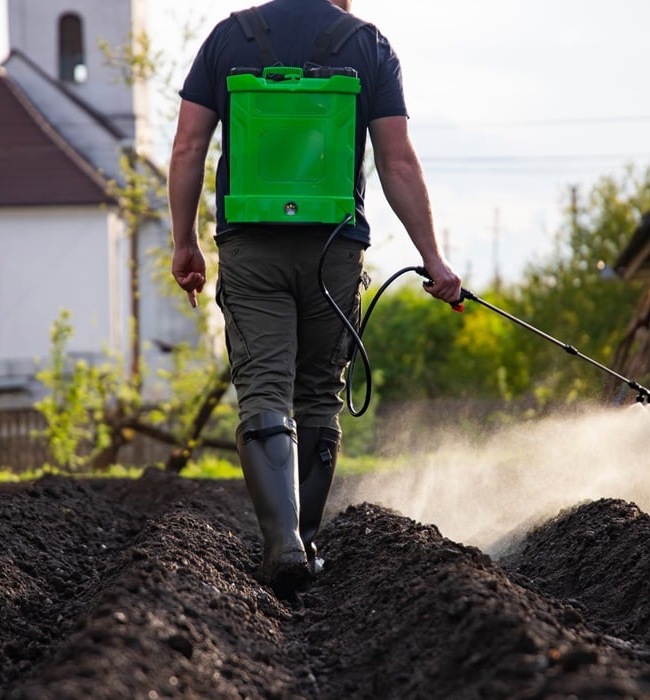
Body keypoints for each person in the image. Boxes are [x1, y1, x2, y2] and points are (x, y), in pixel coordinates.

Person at [168, 0, 461, 593]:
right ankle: (304, 539)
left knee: (264, 390)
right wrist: (433, 258)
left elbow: (187, 149)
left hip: (251, 244)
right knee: (319, 395)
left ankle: (284, 545)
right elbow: (398, 162)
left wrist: (185, 243)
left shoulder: (228, 38)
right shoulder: (368, 45)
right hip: (334, 247)